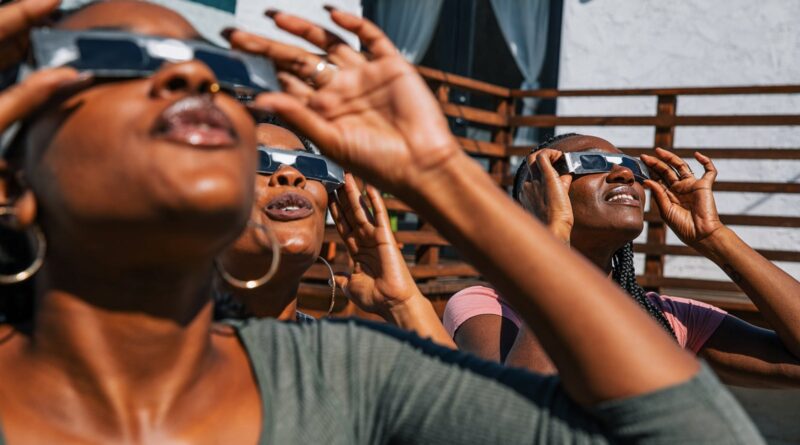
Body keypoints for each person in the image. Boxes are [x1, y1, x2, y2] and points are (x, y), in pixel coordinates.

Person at [0, 1, 762, 443]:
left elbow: (688, 432)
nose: (193, 75)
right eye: (118, 58)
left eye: (224, 76)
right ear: (14, 179)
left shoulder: (343, 376)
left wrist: (438, 176)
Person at [444, 132, 800, 386]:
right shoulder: (489, 307)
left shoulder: (666, 319)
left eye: (630, 165)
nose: (626, 174)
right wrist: (553, 237)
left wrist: (715, 238)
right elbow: (516, 419)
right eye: (590, 162)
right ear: (535, 198)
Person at [214, 118, 455, 347]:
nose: (292, 175)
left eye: (307, 165)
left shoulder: (348, 360)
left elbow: (474, 391)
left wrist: (403, 303)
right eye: (258, 160)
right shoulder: (179, 352)